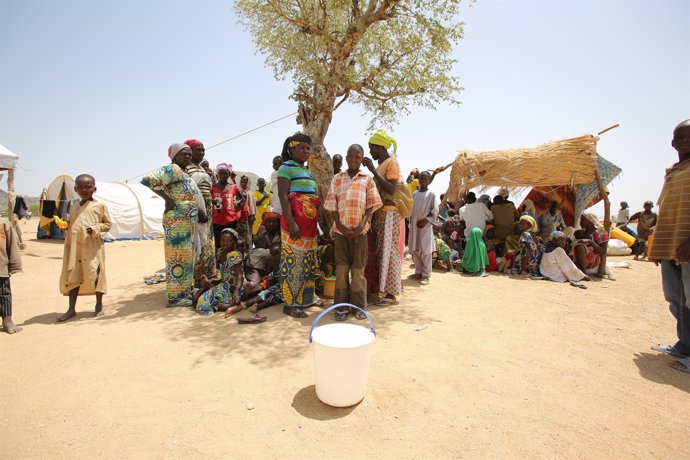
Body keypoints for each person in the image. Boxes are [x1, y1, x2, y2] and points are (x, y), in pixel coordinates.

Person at [648, 119, 690, 373]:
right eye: (680, 137)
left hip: (687, 245)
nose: (685, 140)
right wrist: (660, 248)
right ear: (673, 142)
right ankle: (685, 345)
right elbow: (668, 210)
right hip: (672, 246)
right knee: (677, 298)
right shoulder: (673, 171)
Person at [141, 144, 206, 307]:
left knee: (186, 257)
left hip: (186, 221)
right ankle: (175, 297)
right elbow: (147, 180)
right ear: (174, 156)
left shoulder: (183, 173)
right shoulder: (171, 169)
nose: (188, 156)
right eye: (184, 154)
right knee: (177, 258)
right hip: (177, 222)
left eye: (190, 154)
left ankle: (185, 291)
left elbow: (188, 195)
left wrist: (198, 210)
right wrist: (167, 199)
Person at [324, 144, 382, 320]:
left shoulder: (367, 179)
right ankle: (341, 307)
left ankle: (358, 306)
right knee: (341, 270)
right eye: (350, 156)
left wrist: (361, 226)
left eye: (357, 157)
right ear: (346, 157)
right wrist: (340, 226)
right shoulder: (337, 178)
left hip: (360, 232)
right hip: (341, 232)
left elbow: (371, 206)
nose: (353, 159)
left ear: (362, 158)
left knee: (358, 270)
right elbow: (332, 204)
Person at [277, 132, 322, 318]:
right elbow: (283, 196)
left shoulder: (306, 170)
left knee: (307, 262)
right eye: (301, 148)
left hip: (309, 225)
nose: (306, 151)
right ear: (291, 149)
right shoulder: (285, 168)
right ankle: (290, 303)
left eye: (307, 148)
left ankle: (306, 299)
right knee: (293, 262)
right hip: (294, 224)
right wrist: (292, 222)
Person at [57, 174, 113, 321]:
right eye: (81, 187)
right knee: (73, 274)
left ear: (94, 188)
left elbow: (107, 224)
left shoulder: (100, 206)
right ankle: (71, 309)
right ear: (76, 189)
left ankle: (98, 305)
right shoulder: (74, 206)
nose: (85, 190)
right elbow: (74, 223)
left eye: (88, 187)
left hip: (92, 246)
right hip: (75, 247)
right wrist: (65, 225)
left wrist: (95, 229)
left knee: (95, 273)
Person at [363, 129, 404, 306]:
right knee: (382, 251)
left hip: (389, 212)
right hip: (382, 212)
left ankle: (391, 293)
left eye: (371, 147)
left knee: (390, 250)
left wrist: (372, 170)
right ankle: (383, 289)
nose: (370, 151)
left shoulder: (391, 162)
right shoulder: (384, 163)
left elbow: (391, 188)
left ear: (379, 146)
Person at [184, 139, 216, 286]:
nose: (202, 152)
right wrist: (198, 210)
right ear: (190, 151)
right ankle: (198, 280)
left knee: (208, 243)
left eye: (203, 150)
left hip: (208, 209)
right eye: (198, 150)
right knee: (198, 243)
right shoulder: (186, 169)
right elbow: (187, 191)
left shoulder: (202, 170)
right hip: (197, 211)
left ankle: (208, 276)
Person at [196, 228, 244, 316]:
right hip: (224, 284)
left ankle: (230, 305)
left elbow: (239, 275)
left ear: (235, 242)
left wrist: (237, 291)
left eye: (229, 240)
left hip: (234, 286)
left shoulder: (235, 255)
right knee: (199, 295)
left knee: (203, 299)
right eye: (222, 240)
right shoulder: (219, 252)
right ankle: (224, 304)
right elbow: (221, 272)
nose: (225, 243)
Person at [407, 171, 437, 285]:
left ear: (429, 181)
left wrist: (425, 221)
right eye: (422, 179)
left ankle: (426, 275)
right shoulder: (414, 194)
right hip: (414, 226)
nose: (423, 181)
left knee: (425, 251)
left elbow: (434, 211)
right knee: (415, 249)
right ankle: (418, 272)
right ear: (419, 180)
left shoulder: (432, 194)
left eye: (426, 179)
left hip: (425, 227)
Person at [211, 163, 244, 251]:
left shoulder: (233, 187)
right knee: (218, 244)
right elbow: (206, 199)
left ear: (229, 174)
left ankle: (231, 262)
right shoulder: (212, 187)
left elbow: (242, 198)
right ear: (217, 174)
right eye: (220, 173)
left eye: (225, 173)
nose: (223, 175)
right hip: (216, 221)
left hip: (231, 220)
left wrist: (238, 203)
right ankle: (219, 263)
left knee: (231, 244)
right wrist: (213, 202)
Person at [0, 216, 23, 334]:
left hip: (1, 267)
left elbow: (13, 245)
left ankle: (7, 320)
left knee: (4, 294)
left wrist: (14, 266)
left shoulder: (3, 223)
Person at [572, 213, 610, 279]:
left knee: (580, 247)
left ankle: (583, 273)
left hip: (593, 258)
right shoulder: (583, 231)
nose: (580, 222)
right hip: (582, 255)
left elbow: (603, 251)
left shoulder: (600, 232)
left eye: (582, 220)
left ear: (590, 221)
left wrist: (590, 242)